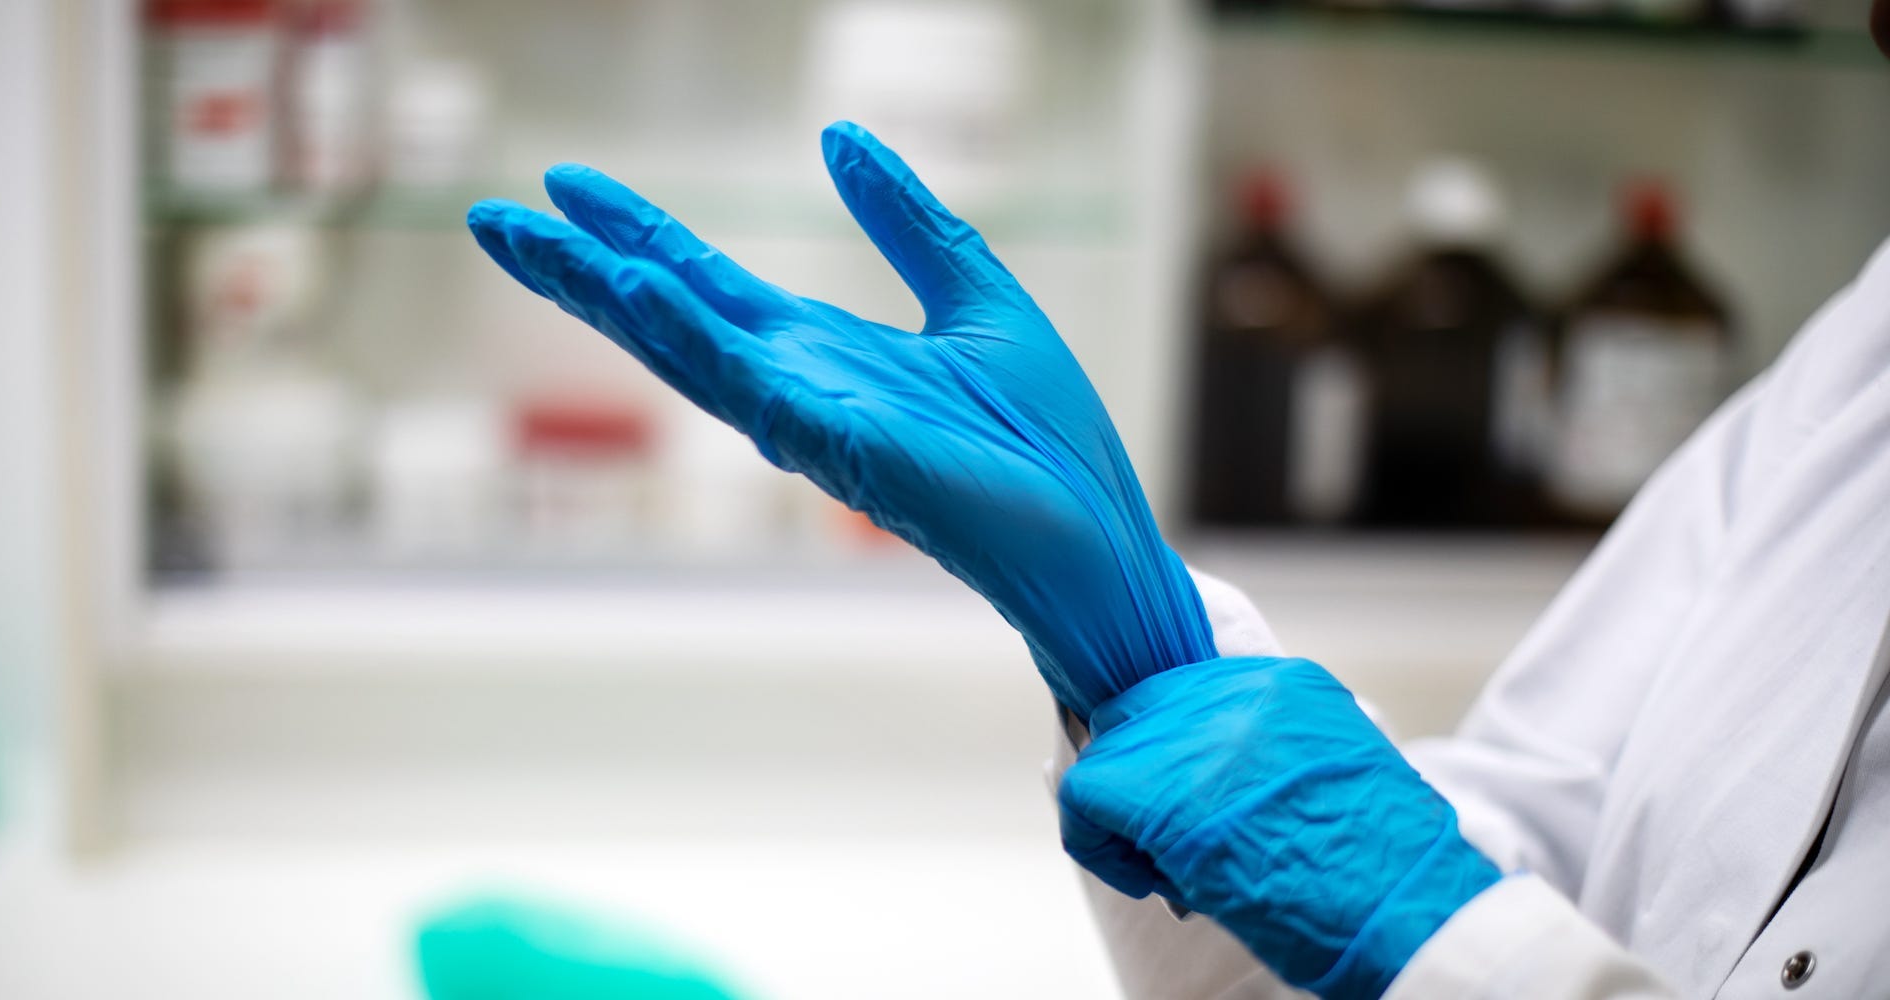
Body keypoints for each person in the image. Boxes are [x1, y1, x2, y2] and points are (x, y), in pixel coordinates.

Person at [464, 12, 1890, 996]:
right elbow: (1530, 853)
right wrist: (1147, 655)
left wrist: (1445, 940)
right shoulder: (1860, 351)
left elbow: (1448, 926)